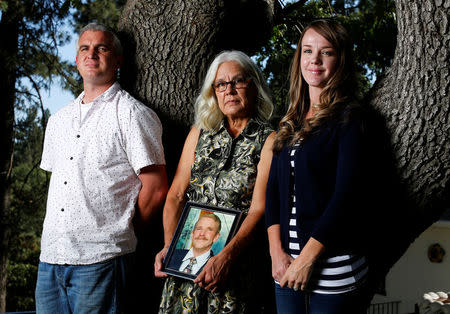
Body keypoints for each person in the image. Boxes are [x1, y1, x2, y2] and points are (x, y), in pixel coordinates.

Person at [35, 23, 168, 313]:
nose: (91, 54)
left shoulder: (132, 114)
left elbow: (156, 189)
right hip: (50, 261)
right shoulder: (58, 121)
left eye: (101, 48)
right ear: (76, 59)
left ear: (117, 61)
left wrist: (120, 231)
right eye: (85, 48)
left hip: (102, 260)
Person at [154, 50, 276, 313]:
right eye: (221, 84)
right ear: (214, 92)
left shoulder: (270, 139)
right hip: (186, 266)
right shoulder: (199, 133)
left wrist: (226, 257)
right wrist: (169, 247)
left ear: (253, 85)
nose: (229, 90)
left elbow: (258, 209)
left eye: (238, 81)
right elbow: (175, 195)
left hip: (234, 269)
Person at [265, 19, 372, 314]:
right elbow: (273, 191)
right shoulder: (291, 121)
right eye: (307, 50)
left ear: (341, 60)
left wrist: (307, 260)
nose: (314, 60)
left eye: (326, 52)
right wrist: (276, 253)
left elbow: (345, 198)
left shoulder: (351, 118)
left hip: (332, 272)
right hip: (285, 269)